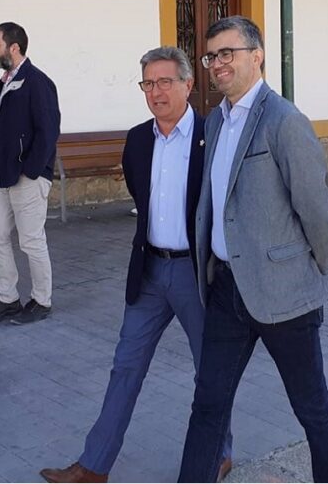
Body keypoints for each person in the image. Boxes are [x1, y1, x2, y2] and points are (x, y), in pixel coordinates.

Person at [40, 47, 232, 483]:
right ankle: (93, 466)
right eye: (148, 83)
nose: (156, 91)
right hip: (148, 273)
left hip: (195, 275)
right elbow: (141, 199)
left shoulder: (211, 138)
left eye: (166, 81)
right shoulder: (138, 140)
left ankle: (220, 452)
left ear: (188, 84)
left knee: (210, 370)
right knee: (125, 366)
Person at [178, 16, 328, 483]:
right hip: (226, 291)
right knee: (208, 403)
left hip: (283, 293)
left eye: (227, 53)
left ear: (257, 55)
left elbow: (316, 208)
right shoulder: (216, 120)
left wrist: (317, 266)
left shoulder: (284, 120)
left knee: (311, 406)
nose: (217, 64)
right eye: (212, 56)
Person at [0, 22, 61, 325]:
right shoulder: (5, 82)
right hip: (5, 175)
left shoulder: (36, 82)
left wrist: (32, 171)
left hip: (27, 177)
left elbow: (48, 131)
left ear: (14, 47)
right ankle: (8, 299)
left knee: (31, 241)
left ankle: (42, 300)